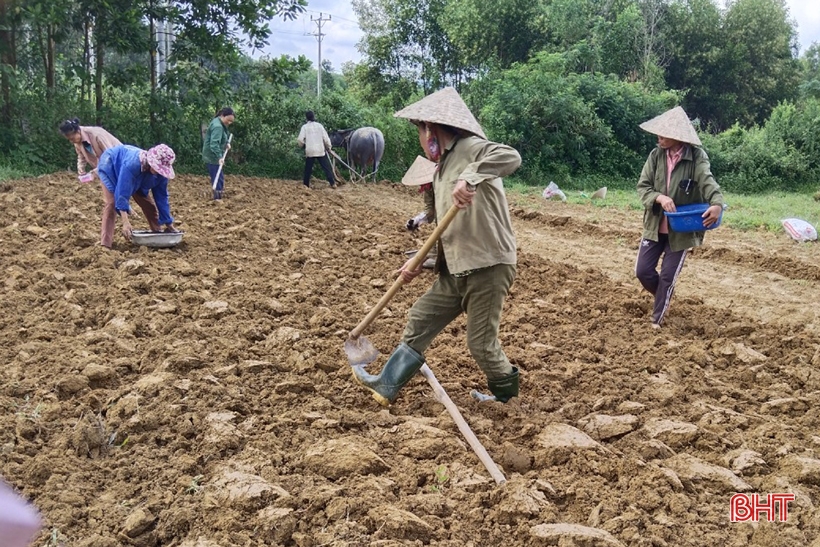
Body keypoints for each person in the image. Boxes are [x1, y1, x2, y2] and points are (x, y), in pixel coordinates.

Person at [352, 87, 522, 405]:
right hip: (455, 267)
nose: (419, 135)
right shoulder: (442, 165)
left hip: (488, 265)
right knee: (420, 317)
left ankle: (506, 401)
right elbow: (447, 226)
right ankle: (386, 386)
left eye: (418, 128)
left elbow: (511, 157)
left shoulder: (471, 148)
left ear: (430, 128)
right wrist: (420, 260)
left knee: (481, 343)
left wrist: (470, 177)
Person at [636, 106, 725, 328]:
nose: (659, 137)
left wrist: (717, 204)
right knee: (643, 271)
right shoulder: (656, 155)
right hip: (655, 224)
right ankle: (663, 297)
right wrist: (660, 198)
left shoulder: (696, 157)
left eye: (664, 134)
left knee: (667, 277)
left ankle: (657, 321)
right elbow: (643, 187)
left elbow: (707, 180)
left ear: (678, 136)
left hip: (681, 228)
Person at [96, 144, 178, 247]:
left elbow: (162, 197)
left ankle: (157, 236)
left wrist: (168, 223)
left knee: (149, 205)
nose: (158, 171)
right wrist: (125, 222)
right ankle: (105, 245)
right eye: (157, 167)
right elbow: (122, 192)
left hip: (140, 177)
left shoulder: (161, 175)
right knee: (112, 203)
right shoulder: (132, 164)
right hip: (110, 165)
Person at [297, 110, 335, 189]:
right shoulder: (319, 126)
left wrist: (303, 146)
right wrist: (329, 147)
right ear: (314, 117)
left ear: (306, 118)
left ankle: (306, 185)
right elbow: (326, 138)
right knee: (326, 168)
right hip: (320, 150)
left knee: (308, 169)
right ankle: (332, 183)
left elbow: (300, 140)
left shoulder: (305, 127)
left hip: (310, 151)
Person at [202, 107, 234, 200]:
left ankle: (218, 195)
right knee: (218, 176)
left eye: (231, 121)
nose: (229, 123)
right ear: (222, 116)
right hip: (212, 155)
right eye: (228, 120)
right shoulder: (218, 127)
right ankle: (217, 198)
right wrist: (220, 157)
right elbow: (214, 144)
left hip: (213, 154)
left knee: (218, 175)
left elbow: (223, 135)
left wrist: (227, 143)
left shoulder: (219, 122)